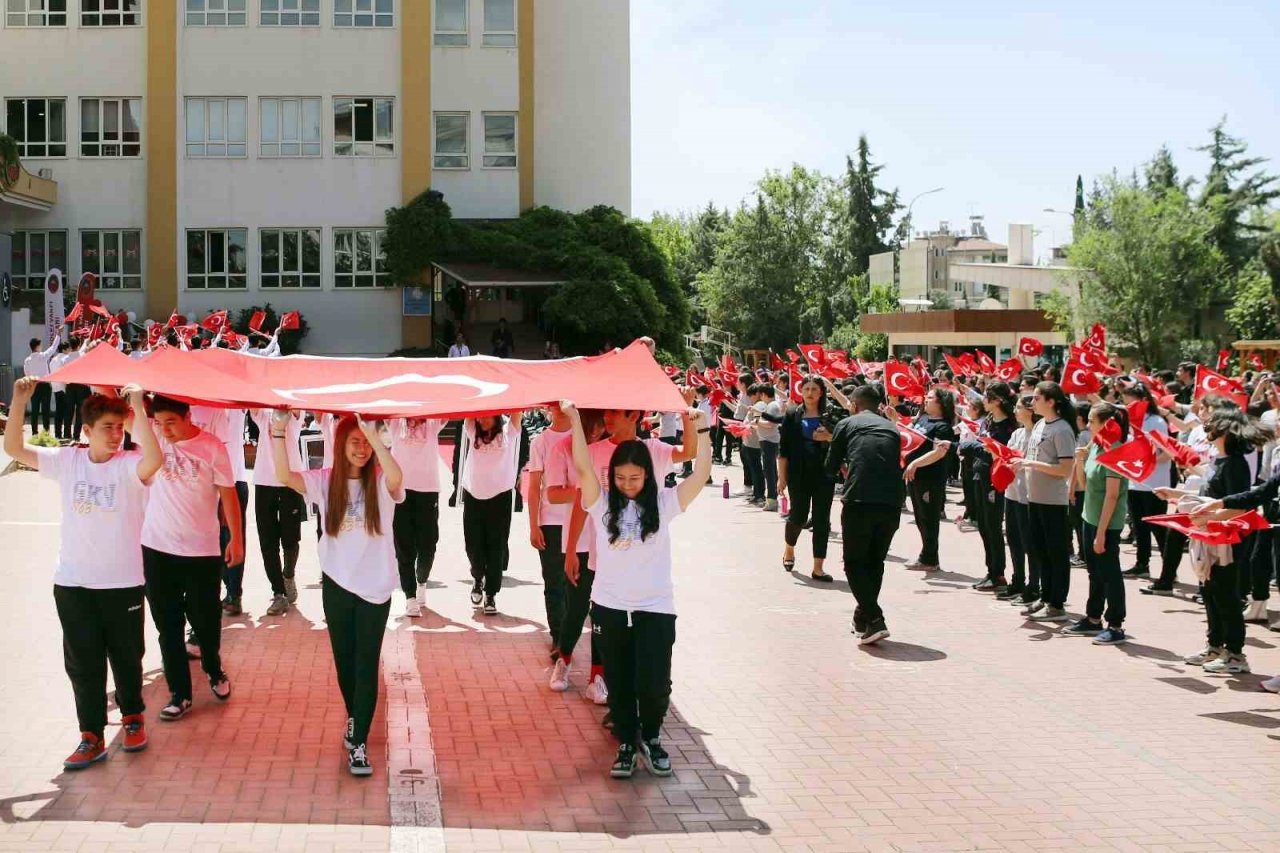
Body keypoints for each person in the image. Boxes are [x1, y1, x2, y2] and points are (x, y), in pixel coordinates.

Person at [5, 378, 162, 770]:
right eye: (105, 428)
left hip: (121, 582)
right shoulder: (68, 461)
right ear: (85, 431)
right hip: (73, 583)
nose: (114, 435)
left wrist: (136, 408)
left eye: (118, 427)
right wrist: (19, 400)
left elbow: (155, 459)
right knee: (83, 663)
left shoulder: (130, 466)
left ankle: (133, 718)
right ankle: (90, 735)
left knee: (127, 658)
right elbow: (13, 448)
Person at [561, 399, 712, 779]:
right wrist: (577, 420)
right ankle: (627, 743)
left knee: (654, 680)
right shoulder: (602, 503)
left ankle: (653, 737)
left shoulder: (665, 503)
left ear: (648, 475)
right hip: (610, 606)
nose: (628, 486)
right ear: (612, 477)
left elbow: (701, 472)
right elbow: (581, 463)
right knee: (620, 680)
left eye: (636, 478)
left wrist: (704, 429)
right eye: (622, 479)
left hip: (656, 607)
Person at [271, 412, 404, 777]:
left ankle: (358, 741)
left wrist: (373, 435)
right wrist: (279, 431)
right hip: (336, 585)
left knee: (366, 665)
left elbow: (397, 478)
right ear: (340, 444)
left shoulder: (381, 481)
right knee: (345, 663)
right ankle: (355, 716)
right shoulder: (326, 481)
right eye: (354, 441)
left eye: (366, 442)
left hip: (374, 588)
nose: (361, 449)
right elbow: (284, 476)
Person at [141, 396, 243, 721]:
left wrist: (237, 541)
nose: (165, 429)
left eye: (171, 421)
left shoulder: (212, 447)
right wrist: (133, 393)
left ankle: (214, 669)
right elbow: (113, 401)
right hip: (157, 550)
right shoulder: (154, 439)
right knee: (167, 626)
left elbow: (228, 495)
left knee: (205, 620)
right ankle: (180, 694)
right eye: (159, 423)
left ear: (188, 416)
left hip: (201, 551)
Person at [1157, 409, 1268, 675]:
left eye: (1214, 425)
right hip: (1207, 538)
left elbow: (1239, 505)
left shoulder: (1236, 463)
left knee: (1226, 594)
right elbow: (1207, 495)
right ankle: (1215, 645)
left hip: (1226, 540)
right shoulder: (1219, 460)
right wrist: (1175, 494)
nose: (1208, 428)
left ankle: (1235, 654)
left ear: (1226, 431)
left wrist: (1210, 516)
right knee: (1209, 591)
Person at [825, 385, 906, 645]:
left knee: (853, 562)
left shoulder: (847, 423)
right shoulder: (891, 427)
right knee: (875, 561)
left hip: (860, 498)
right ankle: (863, 618)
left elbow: (830, 466)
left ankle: (875, 618)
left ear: (855, 404)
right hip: (892, 501)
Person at [544, 409, 608, 695]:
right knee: (576, 607)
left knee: (604, 612)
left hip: (608, 540)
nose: (594, 433)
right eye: (589, 427)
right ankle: (564, 659)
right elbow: (553, 493)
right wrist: (584, 492)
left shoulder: (609, 447)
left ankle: (598, 675)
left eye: (598, 427)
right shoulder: (562, 448)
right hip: (579, 541)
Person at [1063, 403, 1130, 644]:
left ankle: (1116, 624)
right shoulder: (1095, 447)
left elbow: (1112, 496)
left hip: (1107, 523)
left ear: (1107, 424)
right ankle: (1093, 618)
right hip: (1089, 516)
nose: (1088, 425)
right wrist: (1080, 461)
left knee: (1110, 573)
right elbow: (1084, 484)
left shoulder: (1116, 451)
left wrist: (1101, 533)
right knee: (1095, 572)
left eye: (1092, 421)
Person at [1013, 382, 1078, 622]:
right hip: (1034, 497)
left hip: (1054, 501)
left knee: (1056, 552)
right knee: (1039, 550)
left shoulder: (1062, 430)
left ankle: (1057, 603)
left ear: (1051, 401)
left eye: (1037, 397)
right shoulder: (1040, 424)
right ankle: (1046, 595)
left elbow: (1065, 468)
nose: (1032, 402)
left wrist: (1031, 464)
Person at [457, 413, 524, 614]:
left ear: (497, 418)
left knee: (496, 547)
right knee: (473, 545)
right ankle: (477, 577)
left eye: (488, 417)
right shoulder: (472, 431)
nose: (483, 420)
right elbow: (468, 411)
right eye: (480, 417)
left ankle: (491, 594)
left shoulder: (508, 433)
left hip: (500, 497)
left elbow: (517, 412)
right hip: (473, 495)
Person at [190, 405, 250, 616]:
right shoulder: (186, 410)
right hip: (202, 485)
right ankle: (217, 593)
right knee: (211, 542)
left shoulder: (233, 407)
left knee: (231, 538)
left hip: (233, 480)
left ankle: (234, 594)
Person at [778, 375, 837, 582]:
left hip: (824, 474)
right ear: (801, 392)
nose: (810, 393)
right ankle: (789, 549)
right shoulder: (792, 414)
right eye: (806, 389)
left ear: (821, 393)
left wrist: (829, 437)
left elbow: (842, 441)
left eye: (814, 389)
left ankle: (818, 567)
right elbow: (783, 449)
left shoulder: (830, 415)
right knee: (798, 516)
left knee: (822, 520)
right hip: (798, 474)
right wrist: (781, 477)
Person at [251, 409, 307, 615]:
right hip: (264, 482)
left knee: (290, 538)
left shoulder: (294, 414)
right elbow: (253, 402)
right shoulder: (263, 414)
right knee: (268, 541)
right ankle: (278, 592)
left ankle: (288, 574)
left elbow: (297, 409)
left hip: (290, 481)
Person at [527, 404, 572, 655]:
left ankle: (571, 632)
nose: (561, 408)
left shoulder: (584, 437)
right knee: (554, 581)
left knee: (576, 583)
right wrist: (534, 525)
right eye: (556, 403)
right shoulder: (540, 442)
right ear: (548, 407)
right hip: (551, 521)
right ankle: (558, 637)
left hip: (581, 519)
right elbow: (534, 487)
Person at [964, 383, 1018, 592]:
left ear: (997, 401)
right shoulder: (988, 420)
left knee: (993, 525)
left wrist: (972, 447)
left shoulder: (1007, 427)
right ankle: (990, 569)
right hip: (979, 474)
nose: (983, 400)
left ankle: (998, 573)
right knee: (983, 526)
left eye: (988, 397)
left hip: (994, 480)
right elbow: (980, 444)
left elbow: (993, 450)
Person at [389, 418, 444, 616]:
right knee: (404, 547)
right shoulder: (396, 423)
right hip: (400, 490)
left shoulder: (433, 423)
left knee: (428, 546)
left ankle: (421, 581)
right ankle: (410, 596)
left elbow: (447, 404)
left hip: (428, 491)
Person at [1120, 384, 1172, 579]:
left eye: (1130, 400)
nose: (1127, 404)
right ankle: (1142, 563)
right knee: (1139, 526)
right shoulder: (1131, 422)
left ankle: (1169, 569)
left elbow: (1167, 453)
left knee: (1157, 527)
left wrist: (1146, 462)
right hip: (1134, 481)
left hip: (1154, 482)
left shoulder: (1156, 421)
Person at [904, 389, 958, 573]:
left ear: (941, 402)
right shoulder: (923, 419)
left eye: (930, 397)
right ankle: (925, 555)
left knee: (929, 518)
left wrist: (916, 464)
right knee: (920, 518)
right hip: (915, 476)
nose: (926, 400)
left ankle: (930, 559)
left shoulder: (943, 427)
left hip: (930, 478)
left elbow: (939, 452)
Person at [997, 394, 1042, 604]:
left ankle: (1034, 585)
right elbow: (1007, 455)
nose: (1015, 410)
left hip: (1029, 495)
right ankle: (1017, 580)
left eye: (1018, 407)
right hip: (1012, 492)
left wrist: (1020, 461)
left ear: (1030, 410)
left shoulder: (1039, 433)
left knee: (1029, 542)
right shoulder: (1016, 433)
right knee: (1013, 539)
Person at [24, 331, 63, 435]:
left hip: (34, 386)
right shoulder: (43, 356)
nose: (41, 347)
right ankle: (46, 433)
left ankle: (34, 433)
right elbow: (53, 348)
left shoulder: (27, 360)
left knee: (34, 411)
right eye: (40, 345)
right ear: (37, 346)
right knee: (46, 410)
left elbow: (27, 374)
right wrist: (58, 334)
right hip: (45, 386)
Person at [49, 342, 76, 441]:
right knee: (67, 412)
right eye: (68, 348)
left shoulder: (53, 360)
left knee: (58, 412)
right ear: (64, 350)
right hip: (64, 387)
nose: (70, 350)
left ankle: (57, 434)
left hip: (55, 387)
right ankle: (67, 433)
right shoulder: (64, 359)